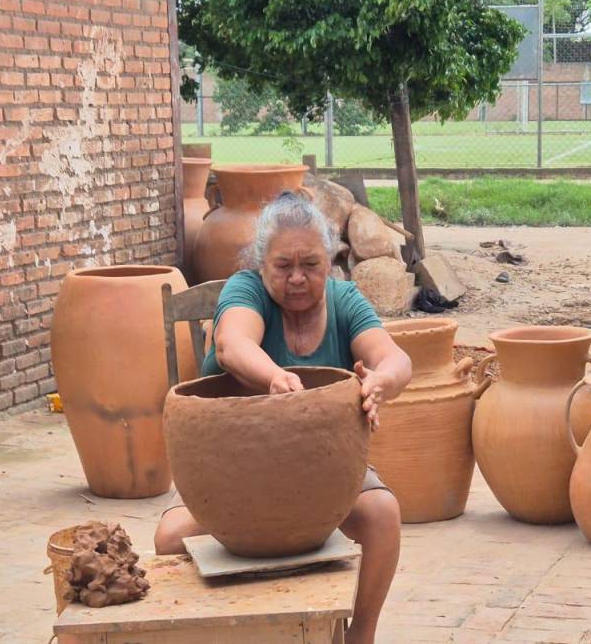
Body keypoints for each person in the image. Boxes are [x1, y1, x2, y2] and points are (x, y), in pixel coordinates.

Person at [154, 191, 412, 644]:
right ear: (261, 263)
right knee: (171, 538)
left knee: (381, 513)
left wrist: (380, 382)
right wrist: (275, 378)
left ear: (331, 259)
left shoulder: (344, 300)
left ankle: (359, 636)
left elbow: (395, 359)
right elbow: (233, 345)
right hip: (231, 468)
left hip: (323, 471)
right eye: (283, 266)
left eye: (310, 265)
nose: (297, 278)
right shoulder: (245, 289)